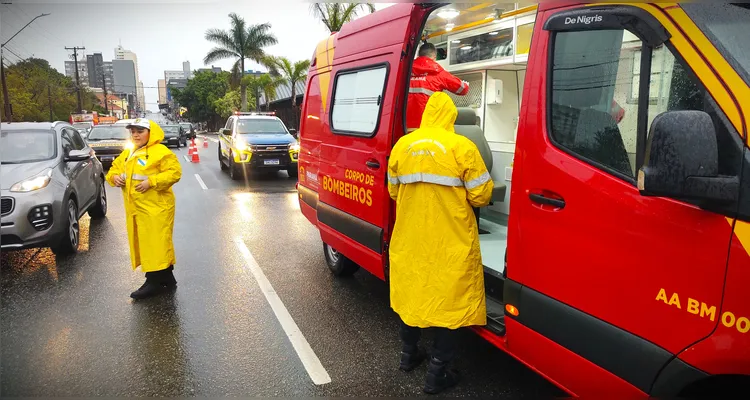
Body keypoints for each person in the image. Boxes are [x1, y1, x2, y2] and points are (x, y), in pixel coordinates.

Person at [387, 92, 494, 394]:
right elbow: (482, 195)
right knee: (450, 303)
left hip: (411, 237)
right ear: (450, 116)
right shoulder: (462, 147)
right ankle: (437, 374)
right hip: (450, 239)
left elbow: (393, 191)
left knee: (412, 296)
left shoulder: (403, 146)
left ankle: (408, 356)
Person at [106, 118, 182, 300]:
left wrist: (152, 182)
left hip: (157, 208)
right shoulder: (128, 153)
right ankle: (167, 278)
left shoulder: (160, 152)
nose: (135, 134)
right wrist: (114, 178)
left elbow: (174, 173)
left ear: (151, 133)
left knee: (154, 244)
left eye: (140, 131)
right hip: (137, 209)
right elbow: (113, 170)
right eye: (133, 131)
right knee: (152, 244)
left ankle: (153, 282)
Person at [406, 42, 470, 132]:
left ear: (418, 55)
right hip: (428, 128)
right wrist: (466, 84)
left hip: (405, 128)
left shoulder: (405, 71)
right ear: (434, 57)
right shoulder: (438, 72)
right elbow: (463, 89)